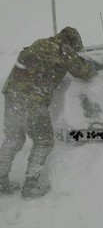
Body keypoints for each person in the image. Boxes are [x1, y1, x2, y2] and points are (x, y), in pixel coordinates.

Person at [0, 27, 97, 198]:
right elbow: (84, 72)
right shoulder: (63, 49)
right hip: (33, 100)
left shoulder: (39, 43)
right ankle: (31, 184)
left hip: (12, 96)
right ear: (72, 42)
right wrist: (92, 66)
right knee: (44, 141)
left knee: (13, 139)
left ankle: (0, 181)